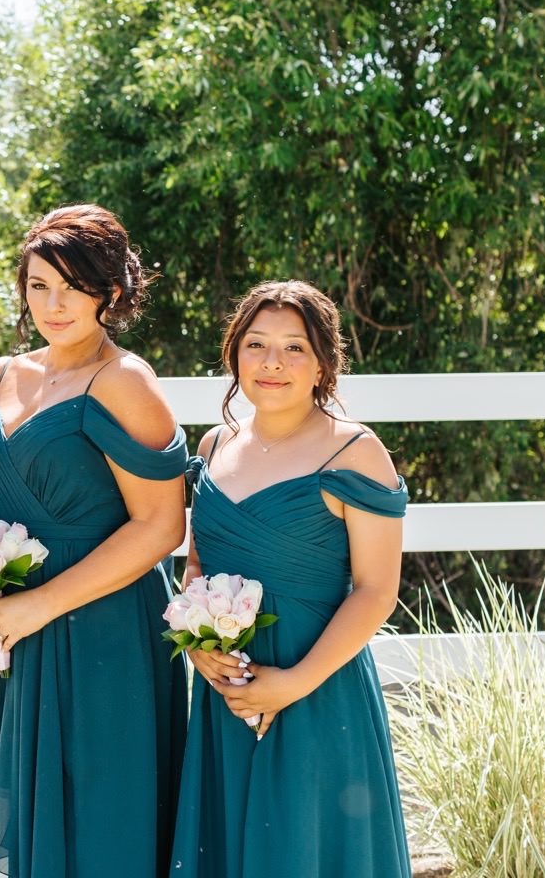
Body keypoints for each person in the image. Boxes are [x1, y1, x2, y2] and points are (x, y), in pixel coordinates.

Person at [0, 205, 189, 877]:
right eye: (38, 286)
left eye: (74, 286)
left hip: (105, 627)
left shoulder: (124, 382)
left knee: (108, 817)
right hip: (11, 633)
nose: (54, 304)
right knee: (31, 816)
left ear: (110, 292)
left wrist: (43, 604)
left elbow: (162, 525)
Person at [170, 279, 412, 876]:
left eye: (294, 347)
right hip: (228, 688)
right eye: (256, 344)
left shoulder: (354, 451)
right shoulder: (214, 444)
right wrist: (201, 650)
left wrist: (294, 683)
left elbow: (377, 591)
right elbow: (197, 564)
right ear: (233, 354)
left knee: (308, 848)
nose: (272, 363)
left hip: (318, 685)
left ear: (322, 361)